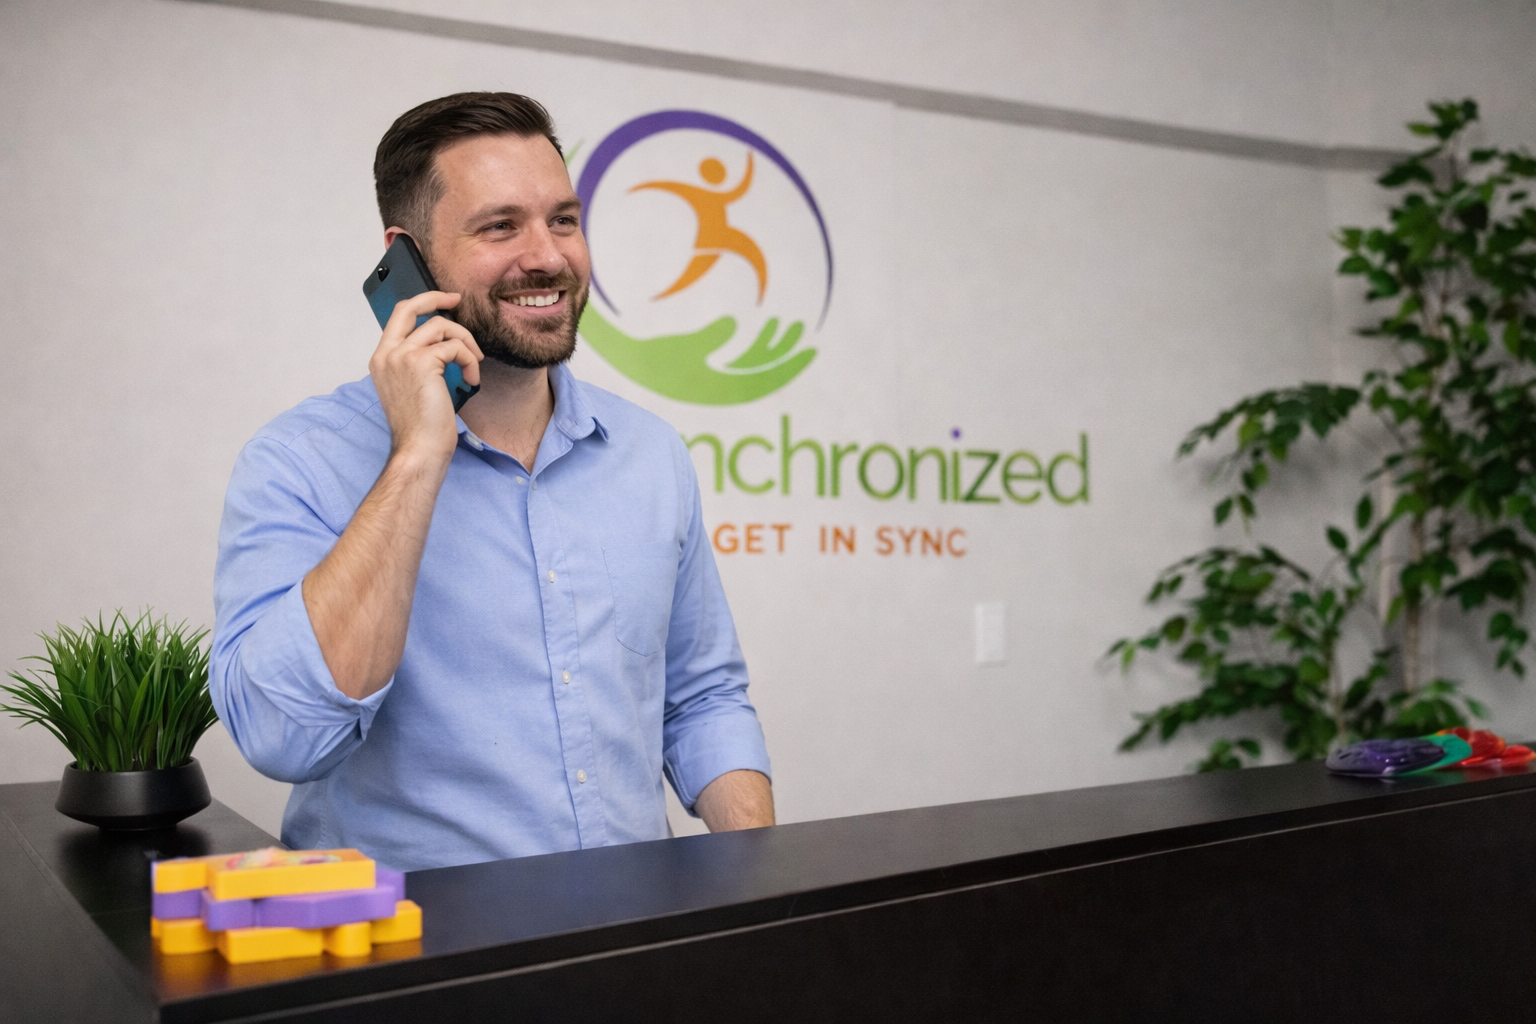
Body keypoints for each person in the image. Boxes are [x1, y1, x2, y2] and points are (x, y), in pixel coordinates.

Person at [211, 92, 774, 871]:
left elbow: (703, 699)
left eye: (564, 220)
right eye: (500, 226)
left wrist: (766, 884)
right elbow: (284, 737)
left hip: (632, 949)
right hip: (414, 965)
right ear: (409, 258)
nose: (547, 256)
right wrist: (416, 456)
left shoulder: (652, 455)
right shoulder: (299, 461)